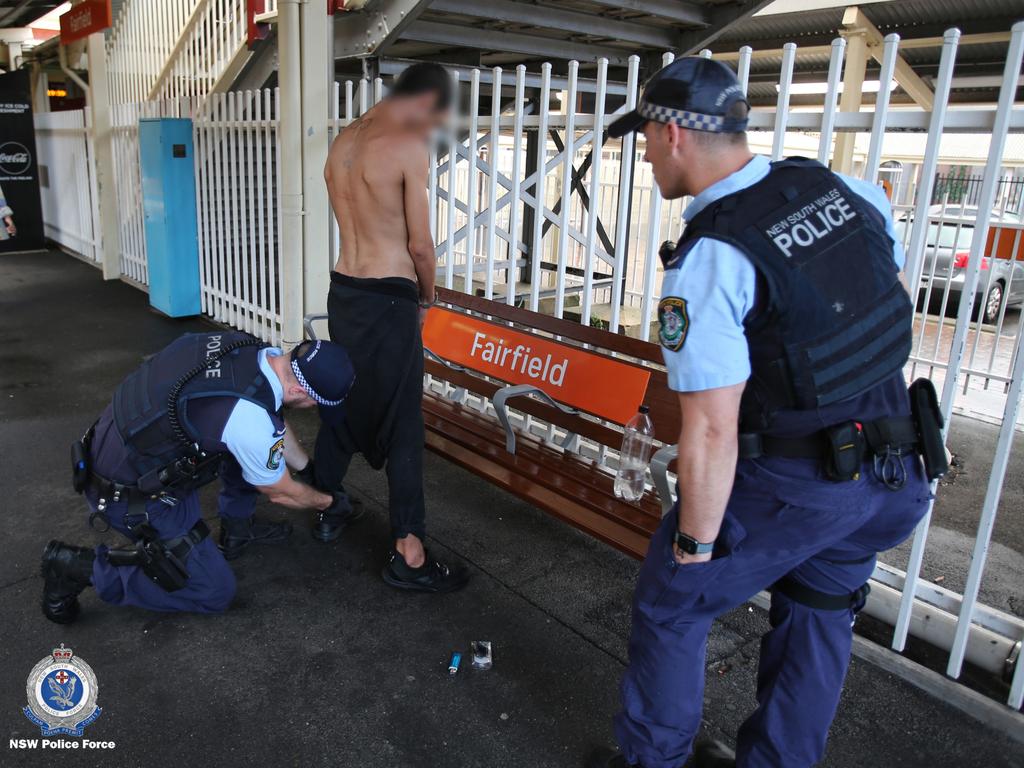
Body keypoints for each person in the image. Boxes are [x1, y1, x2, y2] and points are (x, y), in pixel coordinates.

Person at [587, 58, 935, 768]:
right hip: (898, 470)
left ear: (672, 133)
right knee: (819, 612)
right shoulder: (843, 189)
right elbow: (875, 301)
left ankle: (651, 761)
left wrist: (693, 546)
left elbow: (712, 429)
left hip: (801, 486)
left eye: (645, 138)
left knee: (673, 605)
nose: (644, 154)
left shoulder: (715, 254)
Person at [41, 330, 356, 623]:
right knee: (213, 591)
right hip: (131, 494)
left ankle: (237, 529)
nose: (314, 407)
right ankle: (79, 569)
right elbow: (279, 490)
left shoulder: (246, 348)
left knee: (239, 449)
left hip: (118, 444)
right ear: (298, 389)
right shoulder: (247, 420)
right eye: (315, 402)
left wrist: (307, 469)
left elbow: (269, 425)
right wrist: (327, 503)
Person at [312, 62, 468, 593]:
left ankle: (325, 501)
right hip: (388, 295)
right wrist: (428, 296)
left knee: (343, 398)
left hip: (345, 289)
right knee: (403, 419)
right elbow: (420, 245)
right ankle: (410, 549)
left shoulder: (344, 141)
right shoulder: (406, 145)